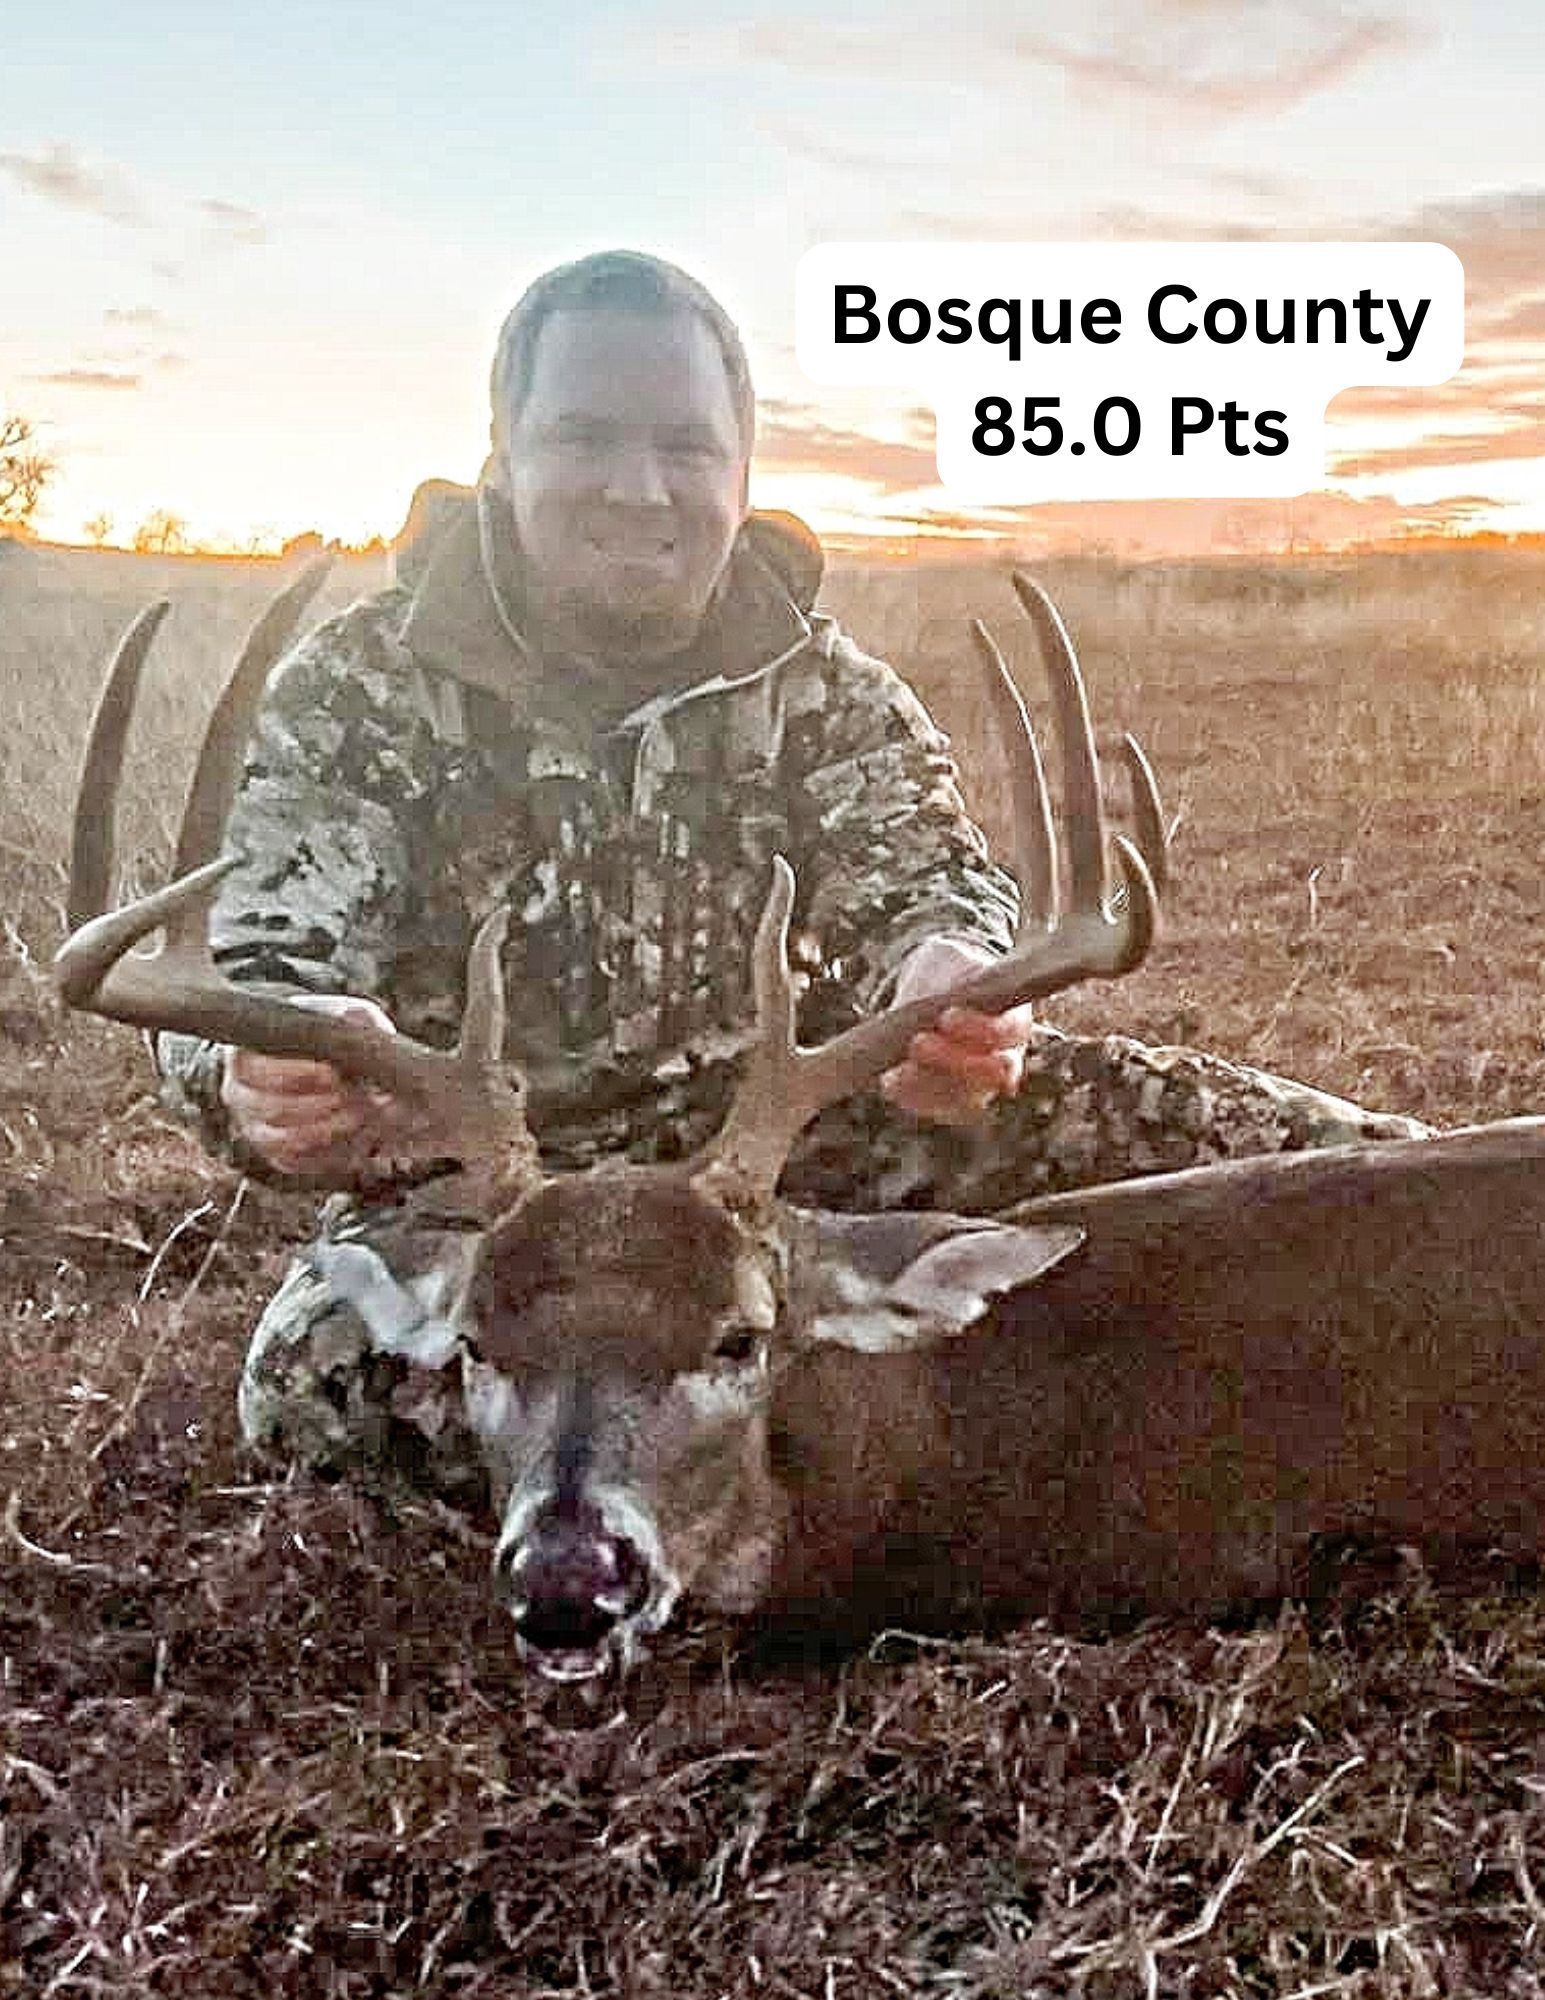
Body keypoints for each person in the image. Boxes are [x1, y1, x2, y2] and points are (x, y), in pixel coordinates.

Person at [156, 250, 1426, 1485]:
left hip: (784, 1152)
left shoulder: (825, 689)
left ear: (743, 471)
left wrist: (953, 978)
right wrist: (258, 1070)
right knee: (316, 1380)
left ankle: (1480, 1220)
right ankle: (804, 1412)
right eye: (587, 437)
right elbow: (253, 965)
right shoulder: (353, 693)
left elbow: (928, 882)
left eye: (686, 447)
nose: (641, 490)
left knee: (1297, 1155)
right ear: (504, 457)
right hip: (496, 1202)